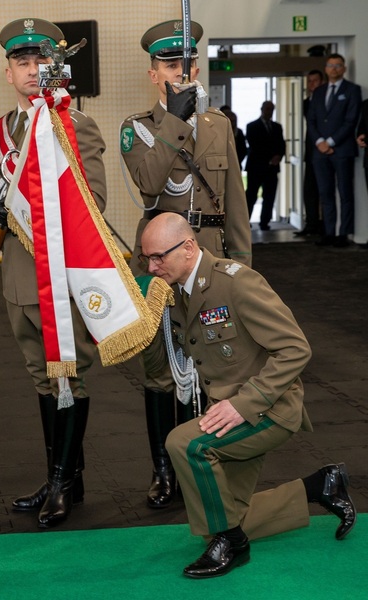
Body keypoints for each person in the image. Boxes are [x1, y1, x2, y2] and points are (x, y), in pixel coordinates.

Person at [140, 212, 356, 579]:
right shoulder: (174, 293)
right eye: (147, 257)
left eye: (159, 256)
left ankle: (233, 546)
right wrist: (144, 321)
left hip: (268, 409)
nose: (151, 265)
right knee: (217, 521)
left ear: (189, 247)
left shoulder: (236, 283)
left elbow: (295, 349)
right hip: (228, 413)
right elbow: (159, 368)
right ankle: (319, 486)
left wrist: (244, 405)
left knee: (183, 443)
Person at [0, 18, 107, 528]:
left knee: (67, 377)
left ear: (56, 69)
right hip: (15, 281)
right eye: (21, 62)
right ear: (8, 73)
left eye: (40, 61)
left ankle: (60, 483)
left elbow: (91, 202)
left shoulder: (74, 124)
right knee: (40, 379)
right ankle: (66, 475)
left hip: (60, 278)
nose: (31, 70)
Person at [120, 19, 251, 509]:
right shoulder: (138, 128)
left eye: (189, 63)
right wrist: (175, 119)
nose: (183, 71)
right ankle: (164, 470)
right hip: (158, 263)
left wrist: (244, 266)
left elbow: (234, 201)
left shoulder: (220, 125)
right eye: (171, 65)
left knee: (221, 364)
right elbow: (150, 186)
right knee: (162, 370)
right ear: (154, 74)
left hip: (212, 257)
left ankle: (210, 460)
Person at [307, 53, 362, 247]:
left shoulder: (353, 90)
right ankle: (329, 233)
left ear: (344, 68)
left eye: (338, 65)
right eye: (331, 65)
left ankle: (344, 234)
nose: (334, 69)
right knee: (325, 193)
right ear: (326, 68)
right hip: (319, 152)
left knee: (345, 193)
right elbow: (311, 120)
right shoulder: (319, 91)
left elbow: (351, 120)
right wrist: (321, 142)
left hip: (342, 150)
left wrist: (330, 142)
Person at [245, 100, 286, 230]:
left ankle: (265, 222)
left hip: (272, 169)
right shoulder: (252, 126)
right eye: (267, 109)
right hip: (256, 168)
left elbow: (281, 144)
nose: (269, 112)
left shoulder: (277, 127)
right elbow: (255, 145)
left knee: (269, 196)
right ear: (262, 109)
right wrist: (269, 158)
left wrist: (278, 156)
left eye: (271, 109)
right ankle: (246, 221)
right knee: (251, 196)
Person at [294, 69, 324, 237]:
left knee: (324, 191)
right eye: (309, 81)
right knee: (309, 190)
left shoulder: (327, 101)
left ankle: (324, 226)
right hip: (311, 152)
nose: (312, 84)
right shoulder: (307, 102)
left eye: (315, 81)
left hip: (326, 151)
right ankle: (311, 224)